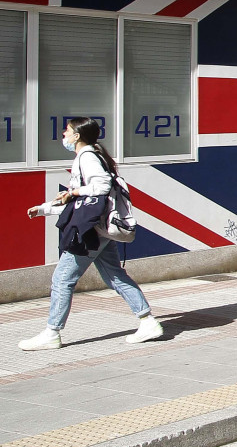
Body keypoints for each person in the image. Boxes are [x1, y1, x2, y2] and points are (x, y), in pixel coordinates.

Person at [18, 117, 163, 351]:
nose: (63, 135)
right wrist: (45, 208)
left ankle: (52, 333)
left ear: (77, 136)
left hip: (91, 231)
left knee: (62, 279)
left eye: (67, 131)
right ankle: (147, 322)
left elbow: (101, 187)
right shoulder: (89, 156)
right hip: (100, 229)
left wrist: (73, 191)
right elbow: (80, 201)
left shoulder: (86, 157)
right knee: (115, 276)